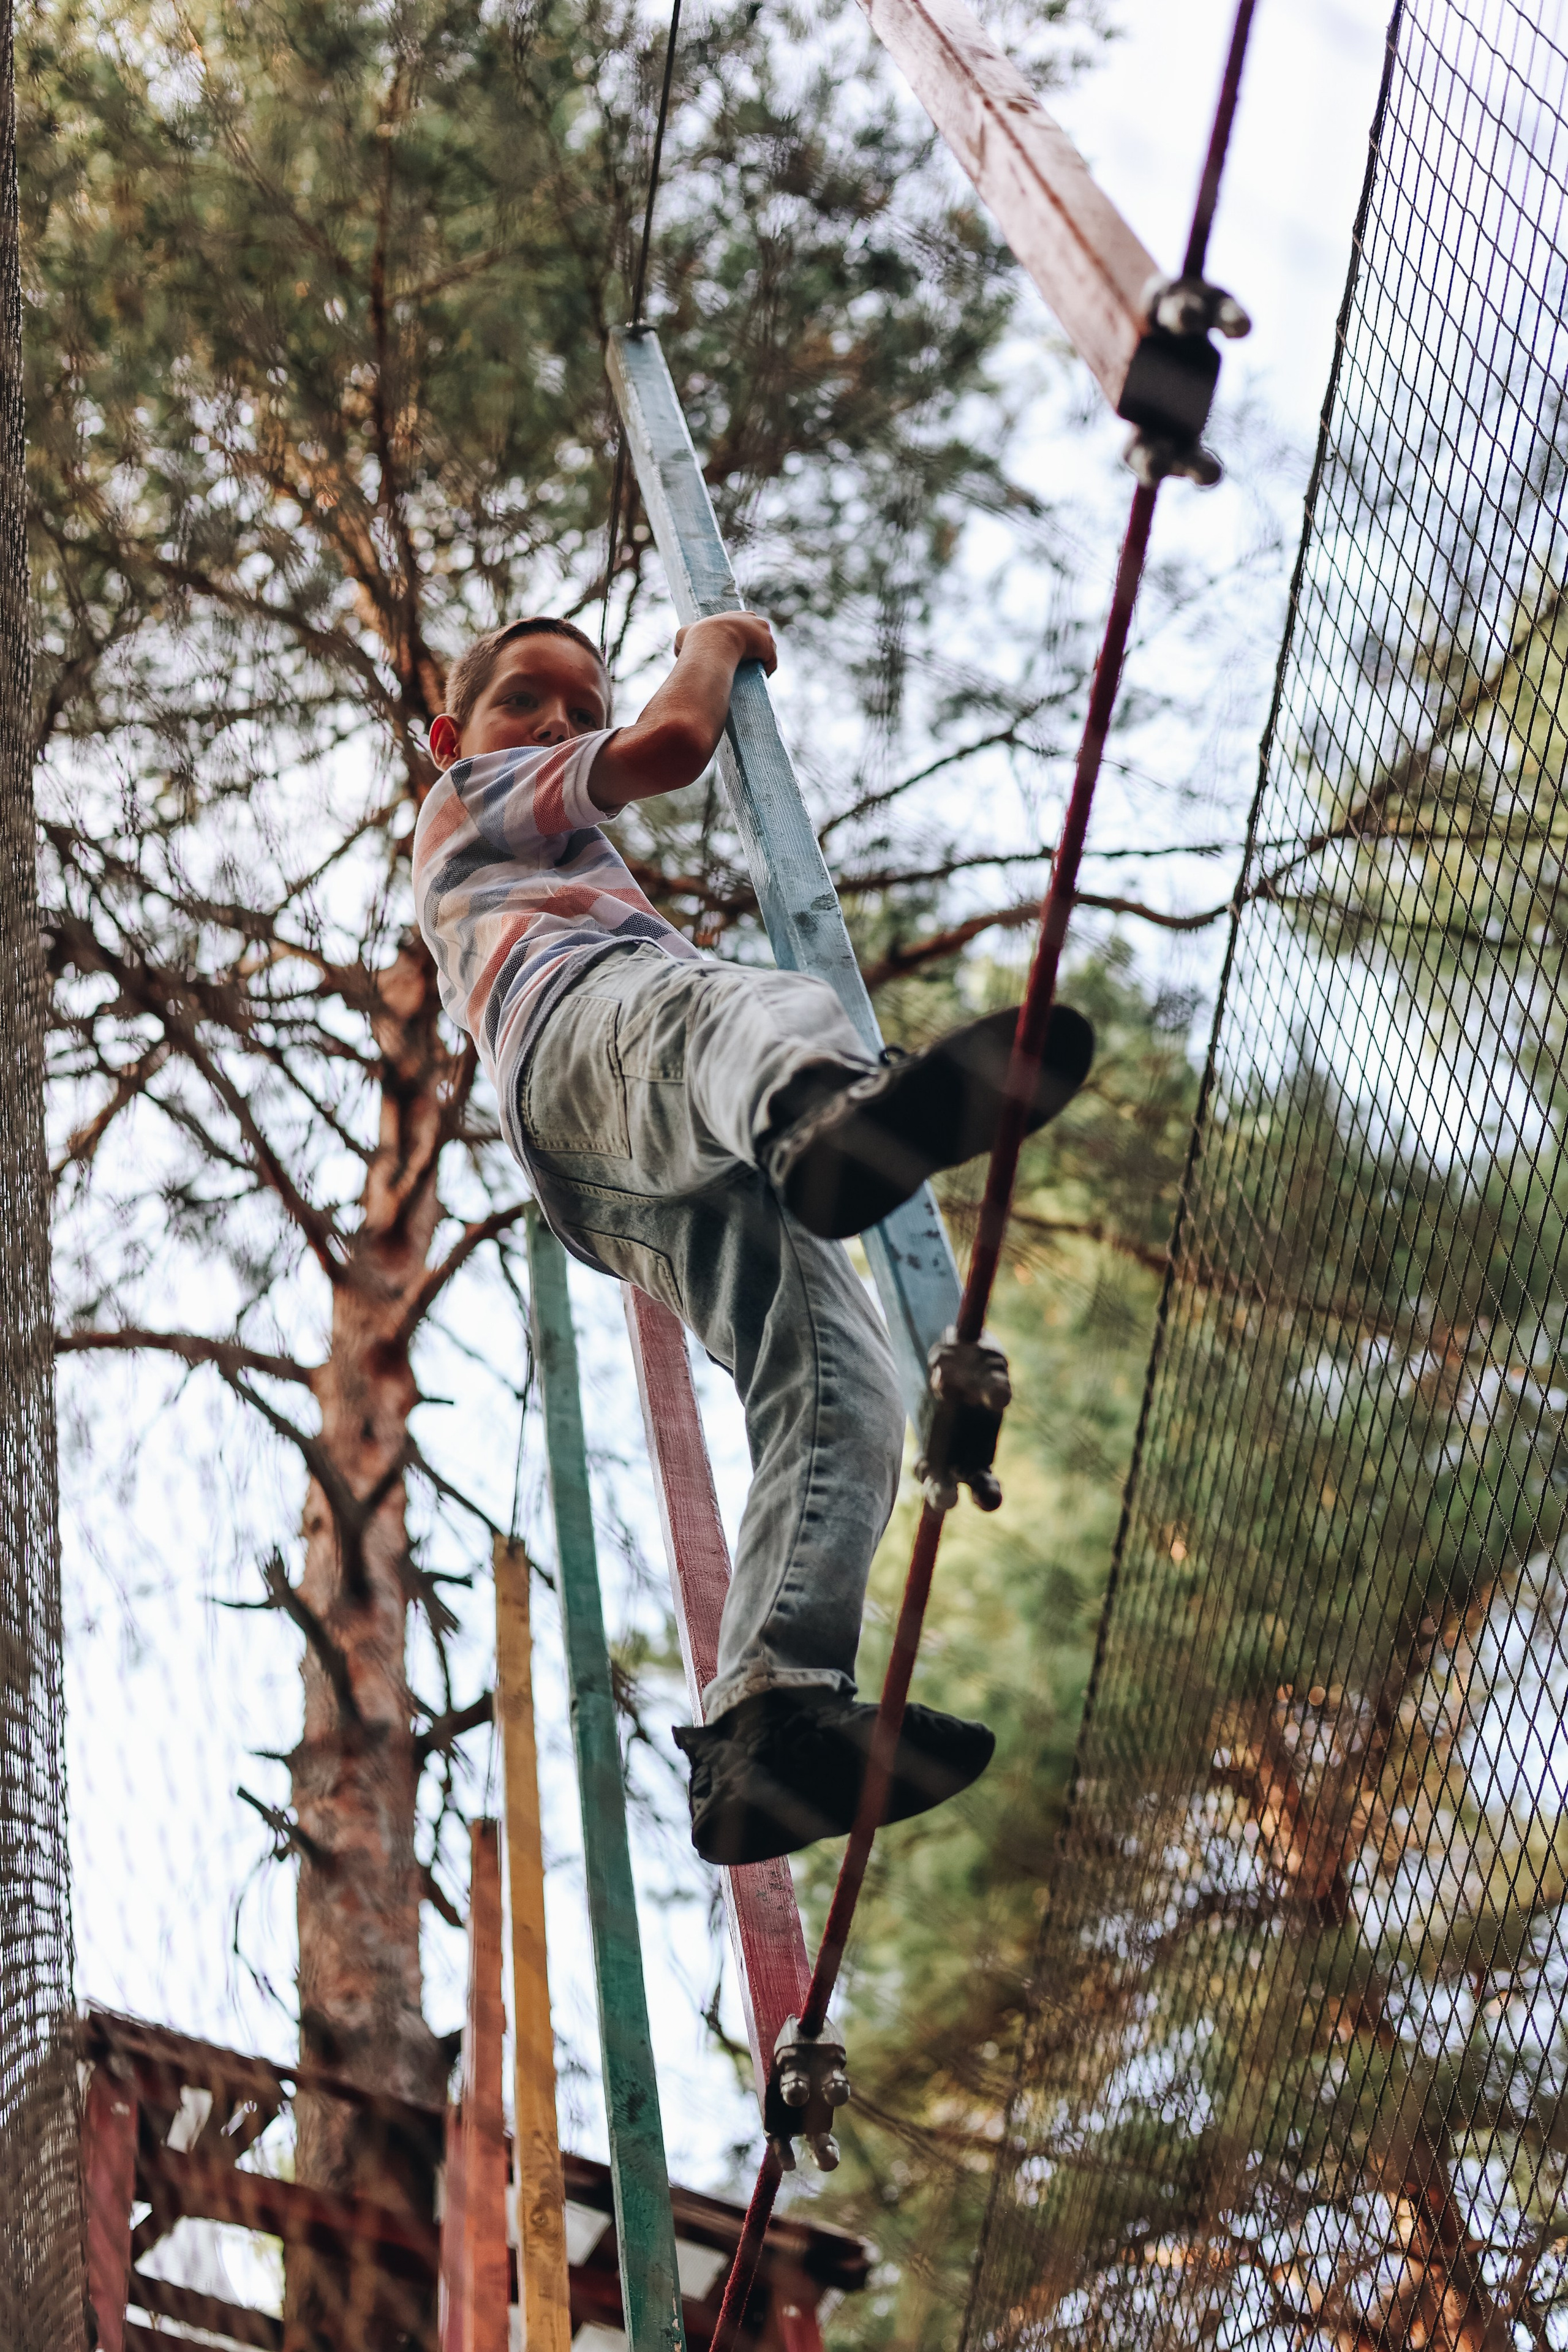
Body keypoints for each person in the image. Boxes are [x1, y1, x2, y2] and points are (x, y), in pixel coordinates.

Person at [413, 612, 1093, 1864]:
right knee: (737, 1004)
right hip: (590, 1042)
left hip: (616, 1164)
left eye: (582, 700)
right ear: (455, 736)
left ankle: (770, 1720)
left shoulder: (543, 847)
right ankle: (817, 1112)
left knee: (836, 1371)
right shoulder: (466, 798)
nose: (562, 723)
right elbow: (672, 740)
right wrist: (715, 641)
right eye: (529, 700)